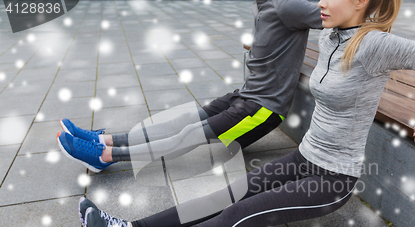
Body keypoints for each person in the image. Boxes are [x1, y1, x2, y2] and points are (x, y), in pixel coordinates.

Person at [80, 0, 415, 227]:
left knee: (237, 214)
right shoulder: (332, 36)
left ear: (360, 2)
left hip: (333, 178)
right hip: (305, 157)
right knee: (227, 195)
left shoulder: (377, 45)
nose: (320, 1)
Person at [56, 0, 323, 173]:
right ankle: (104, 139)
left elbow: (342, 14)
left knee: (189, 133)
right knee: (182, 119)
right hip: (245, 96)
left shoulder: (288, 6)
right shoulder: (265, 4)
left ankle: (105, 155)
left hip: (263, 110)